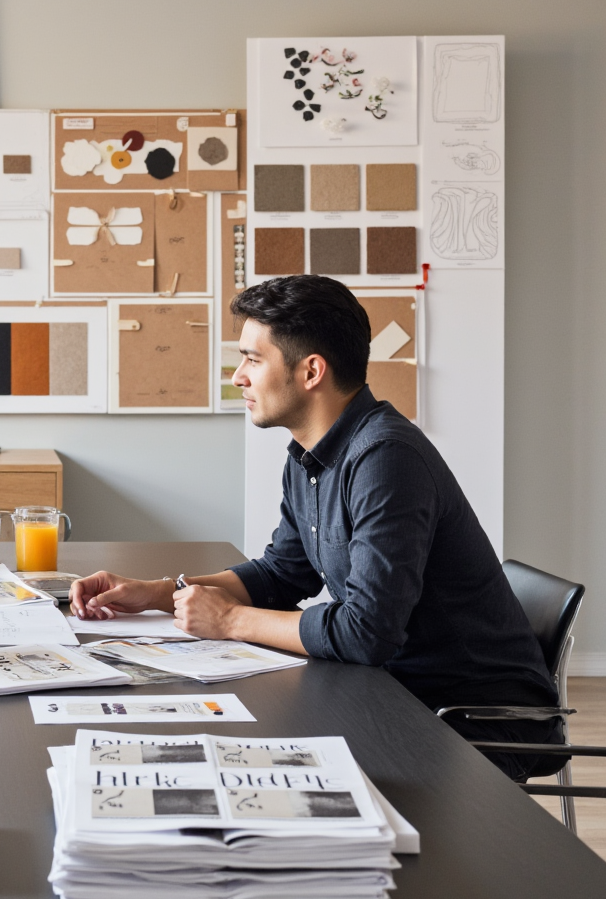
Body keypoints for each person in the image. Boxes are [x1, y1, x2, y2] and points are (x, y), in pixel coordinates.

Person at [72, 275, 562, 781]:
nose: (238, 376)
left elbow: (366, 632)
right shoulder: (310, 454)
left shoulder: (386, 459)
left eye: (252, 359)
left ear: (310, 371)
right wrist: (157, 593)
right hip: (393, 688)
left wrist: (231, 621)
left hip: (468, 715)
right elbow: (284, 574)